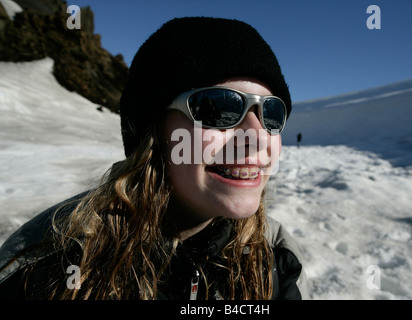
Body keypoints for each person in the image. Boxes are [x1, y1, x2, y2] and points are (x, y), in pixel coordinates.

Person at [0, 17, 309, 300]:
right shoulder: (48, 265)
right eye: (218, 108)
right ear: (153, 132)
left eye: (271, 113)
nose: (256, 137)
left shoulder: (276, 258)